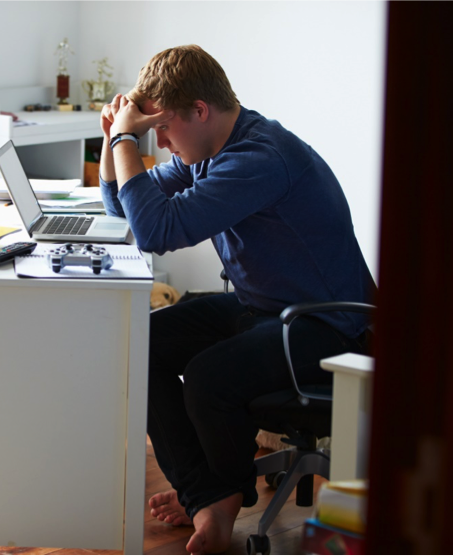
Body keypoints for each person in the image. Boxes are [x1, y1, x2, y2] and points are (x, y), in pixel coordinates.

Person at [98, 45, 375, 555]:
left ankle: (218, 503)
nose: (158, 142)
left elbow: (157, 230)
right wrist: (114, 141)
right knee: (138, 342)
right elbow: (126, 210)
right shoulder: (210, 149)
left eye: (163, 128)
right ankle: (207, 494)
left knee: (209, 376)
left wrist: (125, 140)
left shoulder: (258, 158)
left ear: (199, 111)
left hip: (327, 325)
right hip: (267, 308)